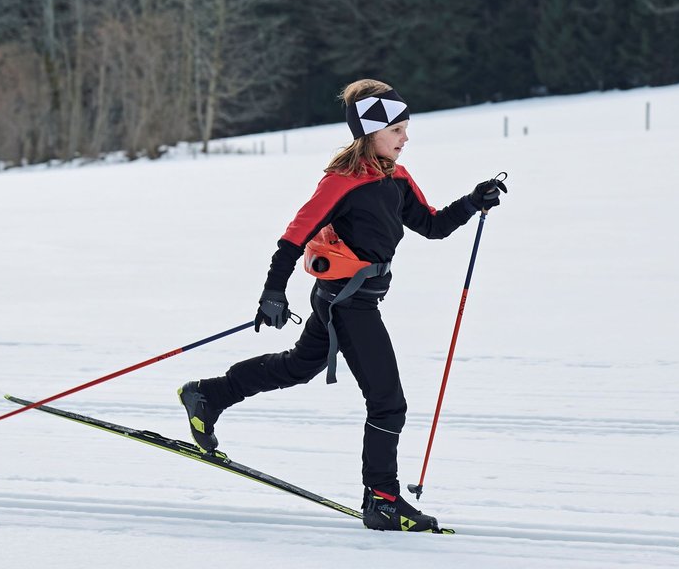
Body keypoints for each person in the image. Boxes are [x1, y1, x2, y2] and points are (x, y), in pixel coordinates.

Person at [178, 78, 507, 532]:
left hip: (353, 299)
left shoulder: (395, 177)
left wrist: (473, 202)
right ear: (372, 133)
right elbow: (294, 236)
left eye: (406, 130)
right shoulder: (342, 182)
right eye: (398, 131)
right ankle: (383, 500)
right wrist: (273, 292)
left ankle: (208, 394)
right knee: (389, 403)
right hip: (347, 303)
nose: (405, 138)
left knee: (296, 367)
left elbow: (431, 226)